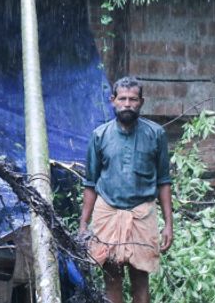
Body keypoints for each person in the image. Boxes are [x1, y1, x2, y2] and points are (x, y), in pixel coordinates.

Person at [79, 76, 173, 303]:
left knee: (141, 281)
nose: (127, 104)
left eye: (133, 99)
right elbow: (91, 183)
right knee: (111, 280)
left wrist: (169, 224)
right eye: (122, 98)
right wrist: (83, 223)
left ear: (141, 102)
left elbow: (163, 181)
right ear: (113, 101)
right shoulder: (100, 135)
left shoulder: (155, 134)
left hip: (142, 214)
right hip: (107, 213)